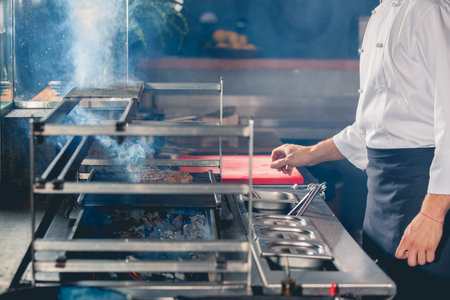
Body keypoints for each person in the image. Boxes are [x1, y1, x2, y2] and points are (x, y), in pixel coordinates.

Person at [270, 0, 450, 299]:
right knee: (384, 288)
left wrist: (432, 215)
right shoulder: (380, 14)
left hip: (425, 192)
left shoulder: (427, 9)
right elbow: (374, 125)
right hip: (382, 198)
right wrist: (310, 153)